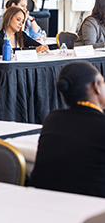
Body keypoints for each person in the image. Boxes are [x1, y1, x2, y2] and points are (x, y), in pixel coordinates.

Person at [30, 61, 105, 198]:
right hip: (94, 209)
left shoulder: (52, 119)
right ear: (96, 87)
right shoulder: (101, 124)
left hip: (45, 203)